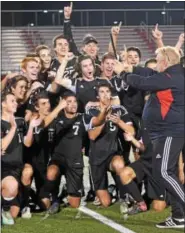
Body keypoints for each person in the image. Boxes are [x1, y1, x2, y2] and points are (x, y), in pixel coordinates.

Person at [121, 46, 185, 228]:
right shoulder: (173, 74)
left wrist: (123, 74)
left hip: (170, 132)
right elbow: (148, 72)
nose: (155, 64)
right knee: (164, 172)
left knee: (164, 172)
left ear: (165, 61)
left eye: (157, 60)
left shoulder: (171, 77)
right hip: (164, 132)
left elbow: (142, 83)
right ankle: (179, 217)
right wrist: (131, 68)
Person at [39, 91, 110, 210]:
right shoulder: (56, 118)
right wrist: (58, 108)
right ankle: (54, 196)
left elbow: (98, 121)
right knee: (51, 172)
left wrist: (103, 111)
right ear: (63, 104)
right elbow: (42, 124)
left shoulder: (82, 117)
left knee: (74, 204)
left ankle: (67, 190)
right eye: (69, 102)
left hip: (75, 162)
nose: (73, 104)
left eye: (74, 101)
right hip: (58, 159)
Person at [86, 83, 135, 207]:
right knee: (105, 203)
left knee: (119, 163)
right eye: (101, 92)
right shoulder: (90, 111)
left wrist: (119, 122)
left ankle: (124, 196)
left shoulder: (119, 110)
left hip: (112, 153)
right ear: (97, 96)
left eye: (107, 91)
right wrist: (104, 119)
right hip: (96, 157)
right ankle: (111, 189)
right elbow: (92, 136)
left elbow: (131, 131)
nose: (105, 94)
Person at [1, 92, 41, 225]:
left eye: (15, 101)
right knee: (11, 186)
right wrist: (12, 128)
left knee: (13, 215)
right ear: (3, 104)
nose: (15, 103)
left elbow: (27, 143)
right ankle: (4, 207)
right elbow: (2, 147)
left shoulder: (20, 121)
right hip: (3, 167)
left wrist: (31, 127)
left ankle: (23, 204)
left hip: (17, 167)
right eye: (12, 101)